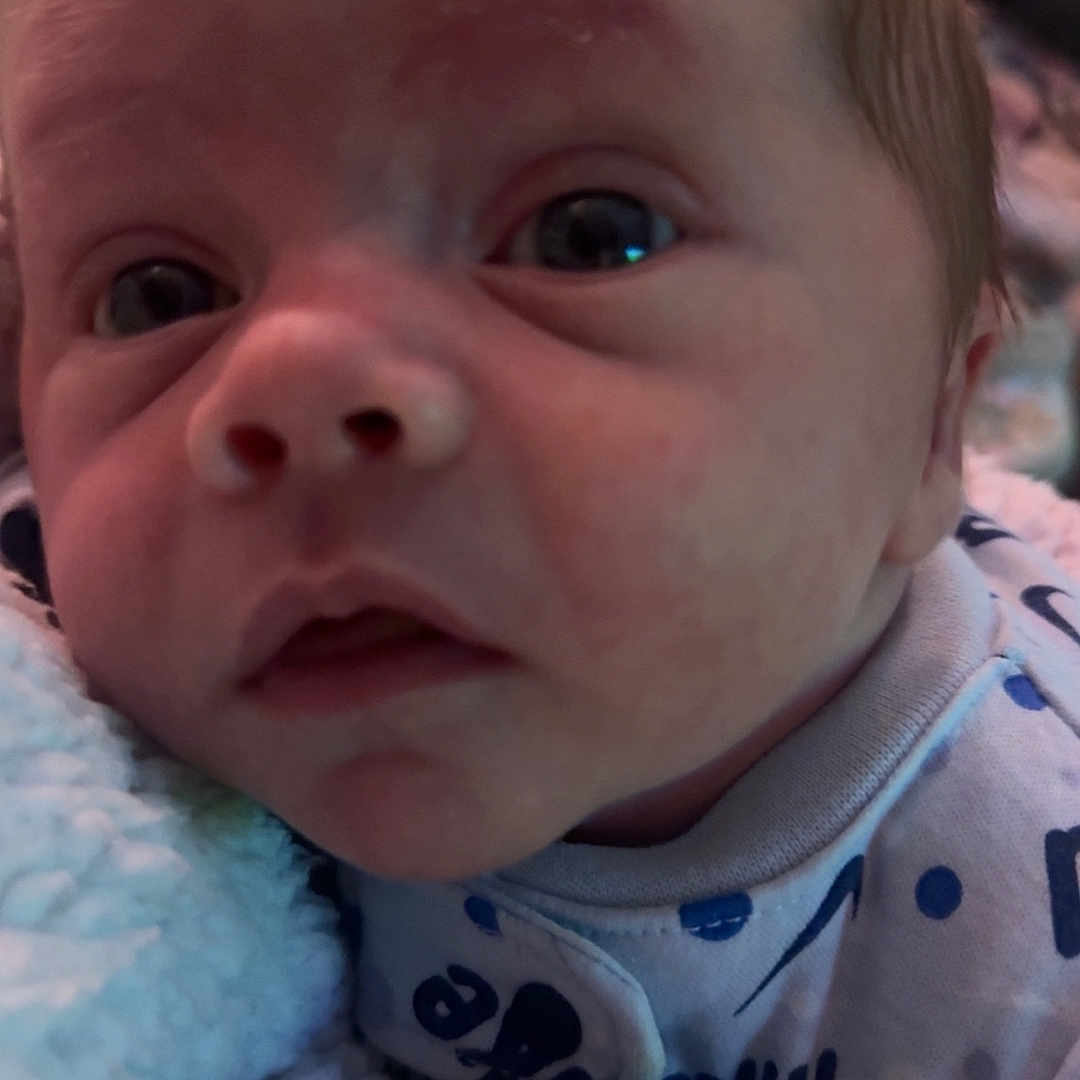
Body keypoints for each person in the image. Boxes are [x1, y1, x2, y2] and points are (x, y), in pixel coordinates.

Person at [0, 0, 1078, 1076]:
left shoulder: (1028, 933)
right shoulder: (59, 755)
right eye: (156, 297)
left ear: (932, 424)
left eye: (588, 236)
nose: (292, 378)